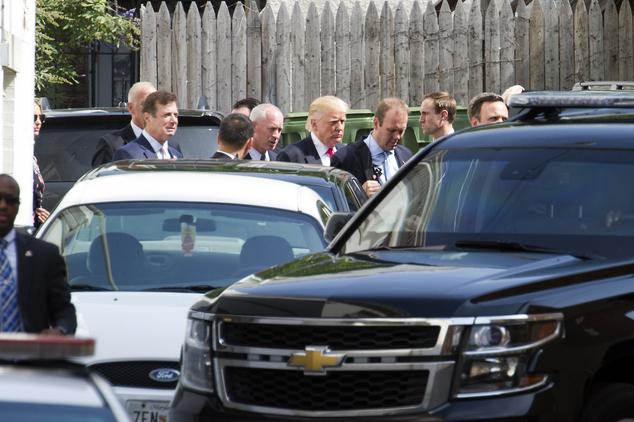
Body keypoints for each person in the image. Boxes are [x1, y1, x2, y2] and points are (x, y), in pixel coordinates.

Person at [0, 174, 76, 334]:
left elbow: (63, 311)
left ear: (19, 206)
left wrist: (60, 330)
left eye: (10, 200)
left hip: (29, 356)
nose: (3, 205)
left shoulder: (45, 255)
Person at [331, 98, 413, 197]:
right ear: (376, 123)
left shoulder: (406, 155)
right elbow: (334, 202)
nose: (397, 137)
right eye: (391, 130)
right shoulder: (346, 158)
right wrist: (359, 193)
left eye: (401, 131)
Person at [91, 83, 182, 168]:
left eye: (175, 115)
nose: (173, 120)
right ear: (131, 108)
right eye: (146, 104)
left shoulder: (173, 148)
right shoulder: (116, 147)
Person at [277, 96, 348, 165]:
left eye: (342, 121)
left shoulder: (346, 153)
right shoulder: (291, 156)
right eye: (333, 122)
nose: (339, 128)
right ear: (314, 124)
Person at [112, 90, 183, 161]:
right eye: (167, 115)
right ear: (147, 118)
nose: (174, 121)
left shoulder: (176, 155)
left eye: (175, 115)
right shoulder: (128, 154)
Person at [33, 100, 50, 229]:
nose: (38, 122)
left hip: (34, 225)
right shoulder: (17, 156)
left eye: (41, 117)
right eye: (33, 117)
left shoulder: (32, 158)